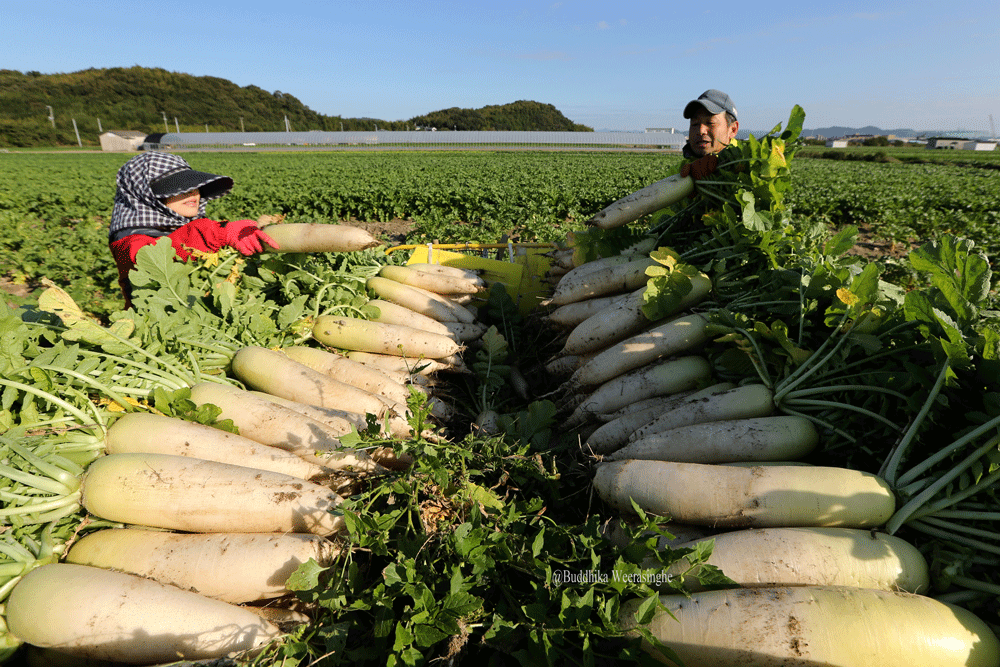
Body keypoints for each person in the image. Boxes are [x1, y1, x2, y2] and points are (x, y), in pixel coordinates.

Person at [108, 151, 277, 308]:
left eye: (193, 186)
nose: (192, 193)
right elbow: (153, 255)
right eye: (176, 188)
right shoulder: (129, 241)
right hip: (160, 332)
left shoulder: (179, 223)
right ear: (145, 194)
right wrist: (220, 233)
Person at [679, 89, 740, 181]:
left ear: (733, 130)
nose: (701, 131)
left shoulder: (747, 167)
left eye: (710, 123)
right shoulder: (679, 171)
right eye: (695, 124)